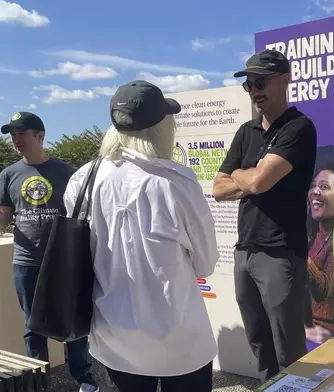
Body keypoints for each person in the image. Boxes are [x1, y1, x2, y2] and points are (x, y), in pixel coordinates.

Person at [64, 80, 219, 392]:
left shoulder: (83, 180)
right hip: (180, 337)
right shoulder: (177, 183)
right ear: (161, 127)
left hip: (115, 336)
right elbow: (205, 263)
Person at [0, 111, 99, 392]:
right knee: (32, 326)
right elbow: (5, 220)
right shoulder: (8, 174)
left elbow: (80, 217)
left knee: (71, 320)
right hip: (25, 261)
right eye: (13, 135)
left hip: (62, 261)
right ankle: (39, 383)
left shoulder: (67, 173)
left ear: (40, 135)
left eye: (22, 133)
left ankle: (82, 376)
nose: (16, 140)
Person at [213, 49, 318, 381]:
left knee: (287, 347)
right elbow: (218, 188)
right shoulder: (247, 132)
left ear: (285, 80)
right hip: (246, 249)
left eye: (261, 82)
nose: (254, 90)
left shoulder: (299, 127)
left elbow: (258, 181)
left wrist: (245, 176)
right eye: (249, 84)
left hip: (281, 250)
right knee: (258, 340)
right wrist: (253, 177)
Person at [305, 160, 334, 351]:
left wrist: (298, 254)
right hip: (307, 329)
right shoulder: (314, 232)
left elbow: (325, 293)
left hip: (326, 338)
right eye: (313, 186)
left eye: (324, 187)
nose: (315, 192)